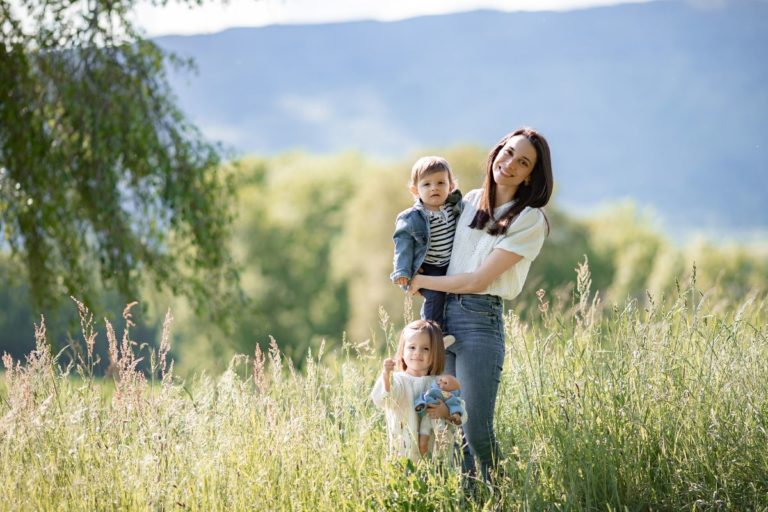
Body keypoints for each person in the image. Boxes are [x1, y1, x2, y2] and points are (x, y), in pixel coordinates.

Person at [408, 127, 554, 480]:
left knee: (475, 428)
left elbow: (477, 280)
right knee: (454, 426)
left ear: (531, 173)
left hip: (479, 320)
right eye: (508, 153)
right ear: (497, 151)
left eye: (523, 162)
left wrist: (420, 281)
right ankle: (470, 501)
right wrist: (407, 262)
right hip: (444, 314)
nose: (510, 165)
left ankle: (501, 496)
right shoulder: (469, 199)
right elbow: (430, 226)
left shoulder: (529, 220)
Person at [370, 319, 466, 463]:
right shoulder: (399, 380)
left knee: (437, 481)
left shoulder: (441, 382)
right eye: (412, 347)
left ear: (436, 353)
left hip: (437, 456)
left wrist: (445, 411)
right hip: (404, 454)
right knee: (407, 481)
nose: (418, 353)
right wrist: (386, 375)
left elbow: (461, 412)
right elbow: (385, 397)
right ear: (402, 351)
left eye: (425, 349)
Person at [390, 156, 462, 330]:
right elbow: (403, 245)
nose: (434, 188)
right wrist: (402, 271)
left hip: (451, 264)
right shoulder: (412, 217)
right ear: (415, 190)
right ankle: (433, 333)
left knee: (454, 297)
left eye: (440, 183)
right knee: (435, 297)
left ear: (451, 186)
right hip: (429, 267)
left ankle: (449, 330)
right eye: (427, 184)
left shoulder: (455, 207)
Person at [414, 374, 466, 456]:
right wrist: (420, 405)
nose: (440, 382)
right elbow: (421, 398)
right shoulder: (430, 391)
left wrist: (455, 414)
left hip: (438, 420)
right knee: (422, 443)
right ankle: (426, 460)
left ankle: (440, 460)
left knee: (441, 442)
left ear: (451, 390)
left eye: (445, 383)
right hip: (426, 419)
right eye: (441, 380)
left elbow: (454, 405)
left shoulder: (449, 396)